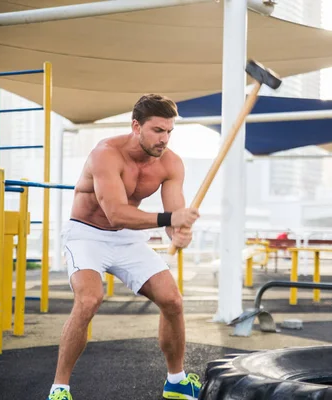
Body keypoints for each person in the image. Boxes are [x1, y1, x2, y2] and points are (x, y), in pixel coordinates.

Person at [47, 94, 202, 400]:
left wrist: (179, 233)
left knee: (173, 301)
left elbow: (174, 218)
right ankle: (59, 388)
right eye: (158, 130)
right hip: (86, 235)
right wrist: (170, 218)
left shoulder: (171, 163)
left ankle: (177, 381)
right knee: (90, 300)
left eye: (169, 131)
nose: (165, 139)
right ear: (136, 126)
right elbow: (115, 212)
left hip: (128, 239)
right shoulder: (106, 153)